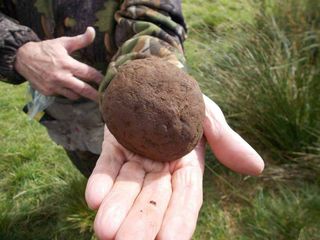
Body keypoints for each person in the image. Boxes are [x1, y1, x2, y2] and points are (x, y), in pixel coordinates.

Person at [0, 0, 264, 239]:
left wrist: (151, 62)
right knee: (95, 173)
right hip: (60, 102)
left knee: (113, 187)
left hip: (119, 84)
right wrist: (17, 48)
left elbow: (155, 13)